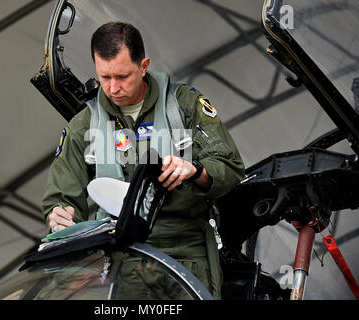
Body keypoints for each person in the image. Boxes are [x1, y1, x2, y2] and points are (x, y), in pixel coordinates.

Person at [42, 22, 245, 299]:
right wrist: (60, 216)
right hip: (123, 259)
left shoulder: (184, 107)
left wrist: (195, 170)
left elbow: (230, 168)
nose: (113, 88)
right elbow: (62, 198)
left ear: (144, 65)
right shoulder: (84, 126)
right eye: (105, 77)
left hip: (186, 253)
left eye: (123, 76)